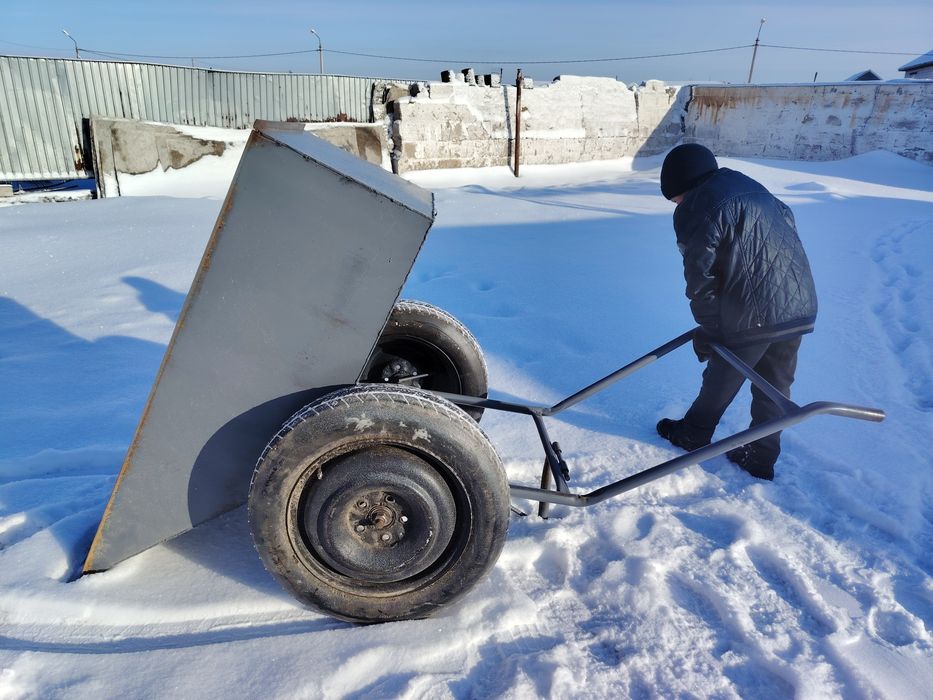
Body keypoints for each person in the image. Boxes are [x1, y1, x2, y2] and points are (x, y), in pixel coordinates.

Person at [656, 143, 818, 481]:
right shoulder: (752, 188)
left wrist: (713, 328)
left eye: (675, 199)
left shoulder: (697, 206)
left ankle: (694, 433)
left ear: (682, 185)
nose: (677, 206)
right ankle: (761, 456)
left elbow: (700, 279)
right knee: (775, 385)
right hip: (798, 303)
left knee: (723, 373)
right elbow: (787, 229)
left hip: (752, 313)